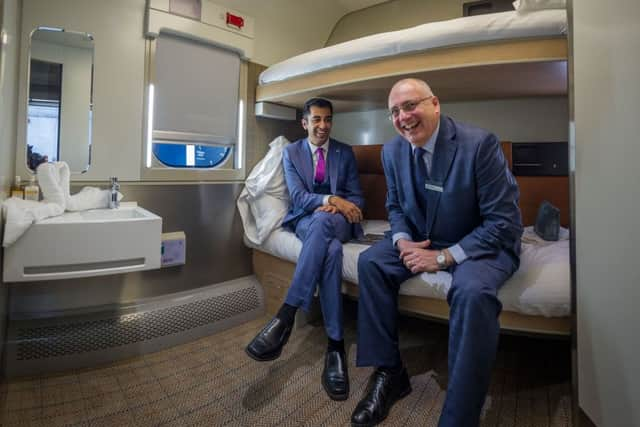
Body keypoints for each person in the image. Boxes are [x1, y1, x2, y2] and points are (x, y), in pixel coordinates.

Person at [350, 79, 523, 427]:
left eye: (411, 105)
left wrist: (445, 258)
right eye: (395, 111)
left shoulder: (479, 145)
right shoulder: (392, 151)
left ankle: (459, 416)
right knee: (370, 262)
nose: (403, 117)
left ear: (435, 104)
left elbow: (504, 223)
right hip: (420, 237)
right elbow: (395, 206)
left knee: (472, 292)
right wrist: (401, 241)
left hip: (480, 242)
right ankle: (390, 373)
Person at [246, 97, 364, 401]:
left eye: (328, 120)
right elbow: (298, 198)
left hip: (337, 222)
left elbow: (356, 198)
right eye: (316, 120)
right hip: (306, 220)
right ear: (305, 123)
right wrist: (331, 200)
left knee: (326, 227)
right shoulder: (291, 153)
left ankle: (285, 315)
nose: (323, 126)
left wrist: (340, 206)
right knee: (332, 251)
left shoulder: (345, 152)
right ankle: (335, 346)